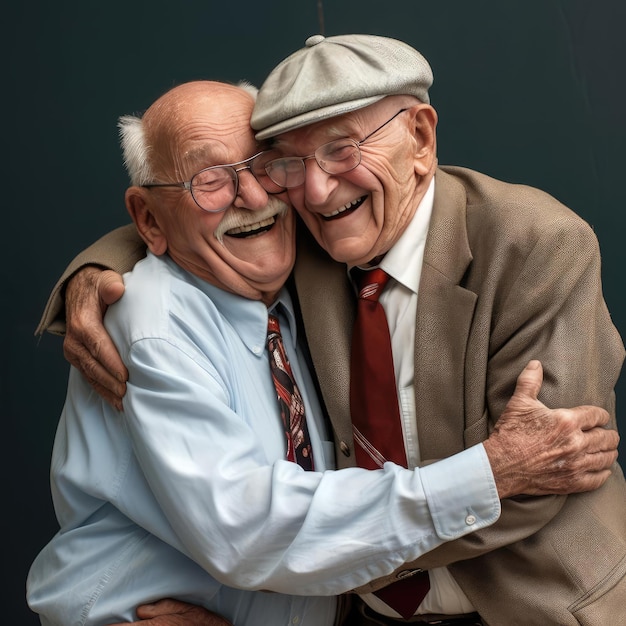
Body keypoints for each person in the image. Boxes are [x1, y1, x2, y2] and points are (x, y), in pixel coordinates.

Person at [35, 34, 625, 625]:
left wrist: (315, 577)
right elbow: (189, 227)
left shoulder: (536, 245)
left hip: (526, 609)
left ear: (420, 137)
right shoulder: (295, 249)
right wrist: (95, 272)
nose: (313, 190)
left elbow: (540, 480)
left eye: (341, 150)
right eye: (289, 163)